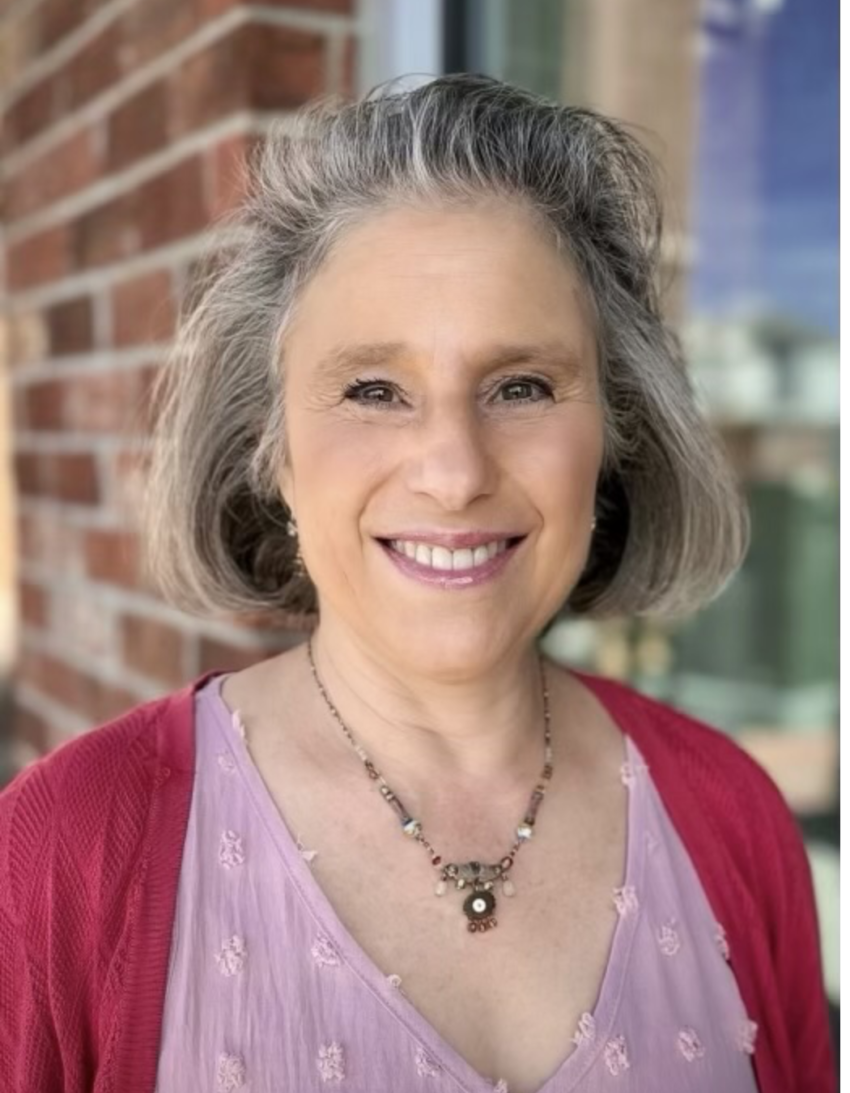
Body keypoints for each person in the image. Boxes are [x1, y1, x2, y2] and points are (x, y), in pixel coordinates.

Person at [0, 74, 834, 1093]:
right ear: (271, 450)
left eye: (521, 385)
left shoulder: (733, 815)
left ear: (615, 433)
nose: (454, 470)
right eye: (373, 390)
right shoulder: (64, 849)